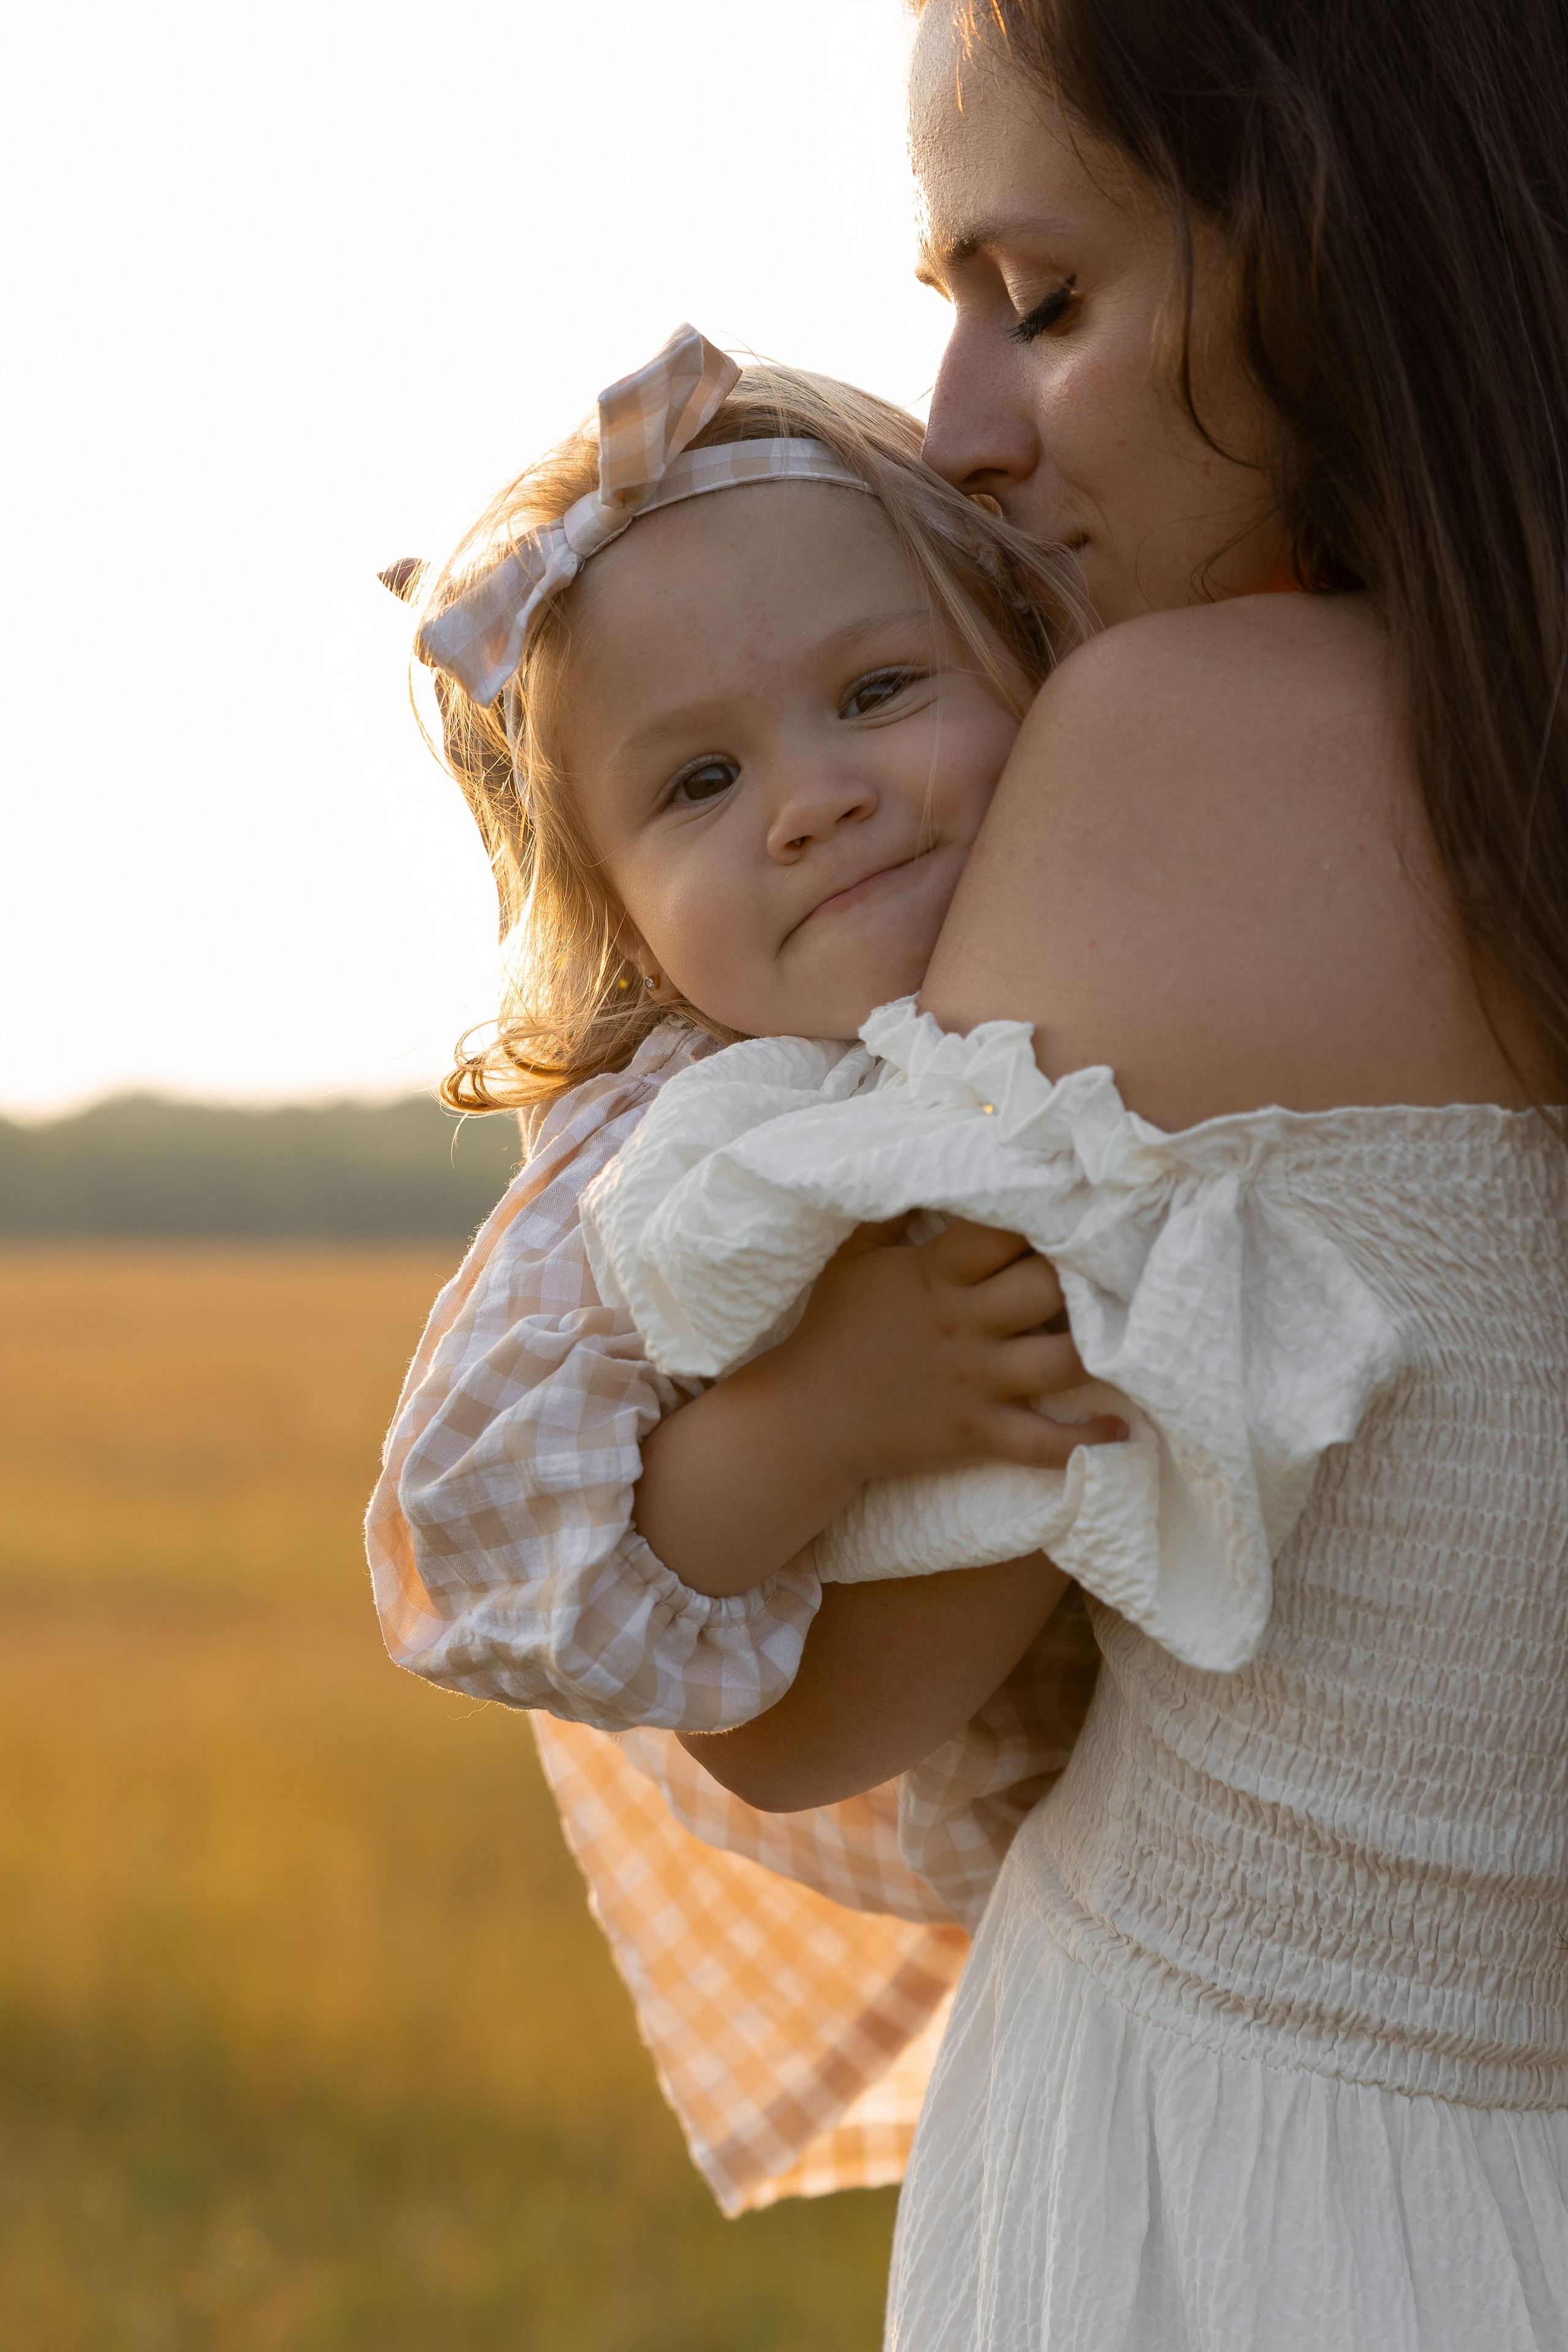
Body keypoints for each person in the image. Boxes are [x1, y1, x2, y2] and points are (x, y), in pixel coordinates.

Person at [670, 3, 1568, 2344]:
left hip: (1231, 2177)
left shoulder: (1174, 752)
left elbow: (822, 1714)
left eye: (1043, 299)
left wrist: (752, 1422)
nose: (961, 429)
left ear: (1335, 236)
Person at [366, 325, 1119, 2212]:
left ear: (1032, 656)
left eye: (877, 689)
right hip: (1068, 1867)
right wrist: (830, 1405)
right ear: (613, 911)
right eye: (696, 785)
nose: (812, 797)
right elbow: (512, 1534)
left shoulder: (1127, 932)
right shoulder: (690, 1139)